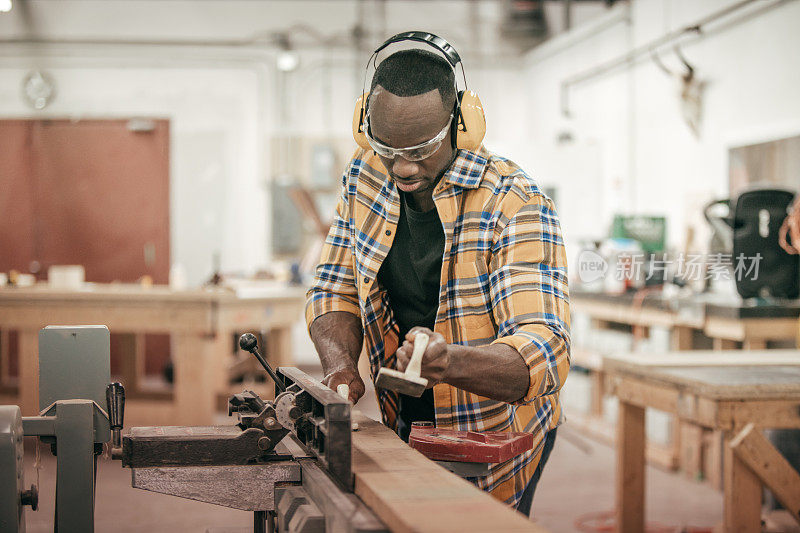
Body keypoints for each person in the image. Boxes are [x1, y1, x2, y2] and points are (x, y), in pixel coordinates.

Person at [305, 33, 570, 515]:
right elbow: (334, 288)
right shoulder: (365, 176)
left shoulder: (514, 204)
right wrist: (339, 366)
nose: (402, 166)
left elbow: (545, 351)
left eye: (422, 148)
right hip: (403, 417)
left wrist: (449, 363)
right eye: (387, 146)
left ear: (463, 125)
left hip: (495, 433)